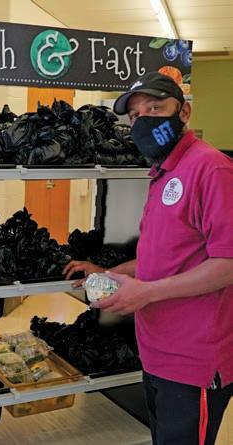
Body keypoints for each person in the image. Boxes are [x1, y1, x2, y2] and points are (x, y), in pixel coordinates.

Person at [63, 72, 233, 445]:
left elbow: (228, 264)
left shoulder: (212, 168)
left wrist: (147, 293)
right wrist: (107, 272)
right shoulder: (161, 173)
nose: (144, 121)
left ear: (184, 112)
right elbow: (163, 258)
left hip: (193, 361)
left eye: (155, 109)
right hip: (157, 352)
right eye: (136, 115)